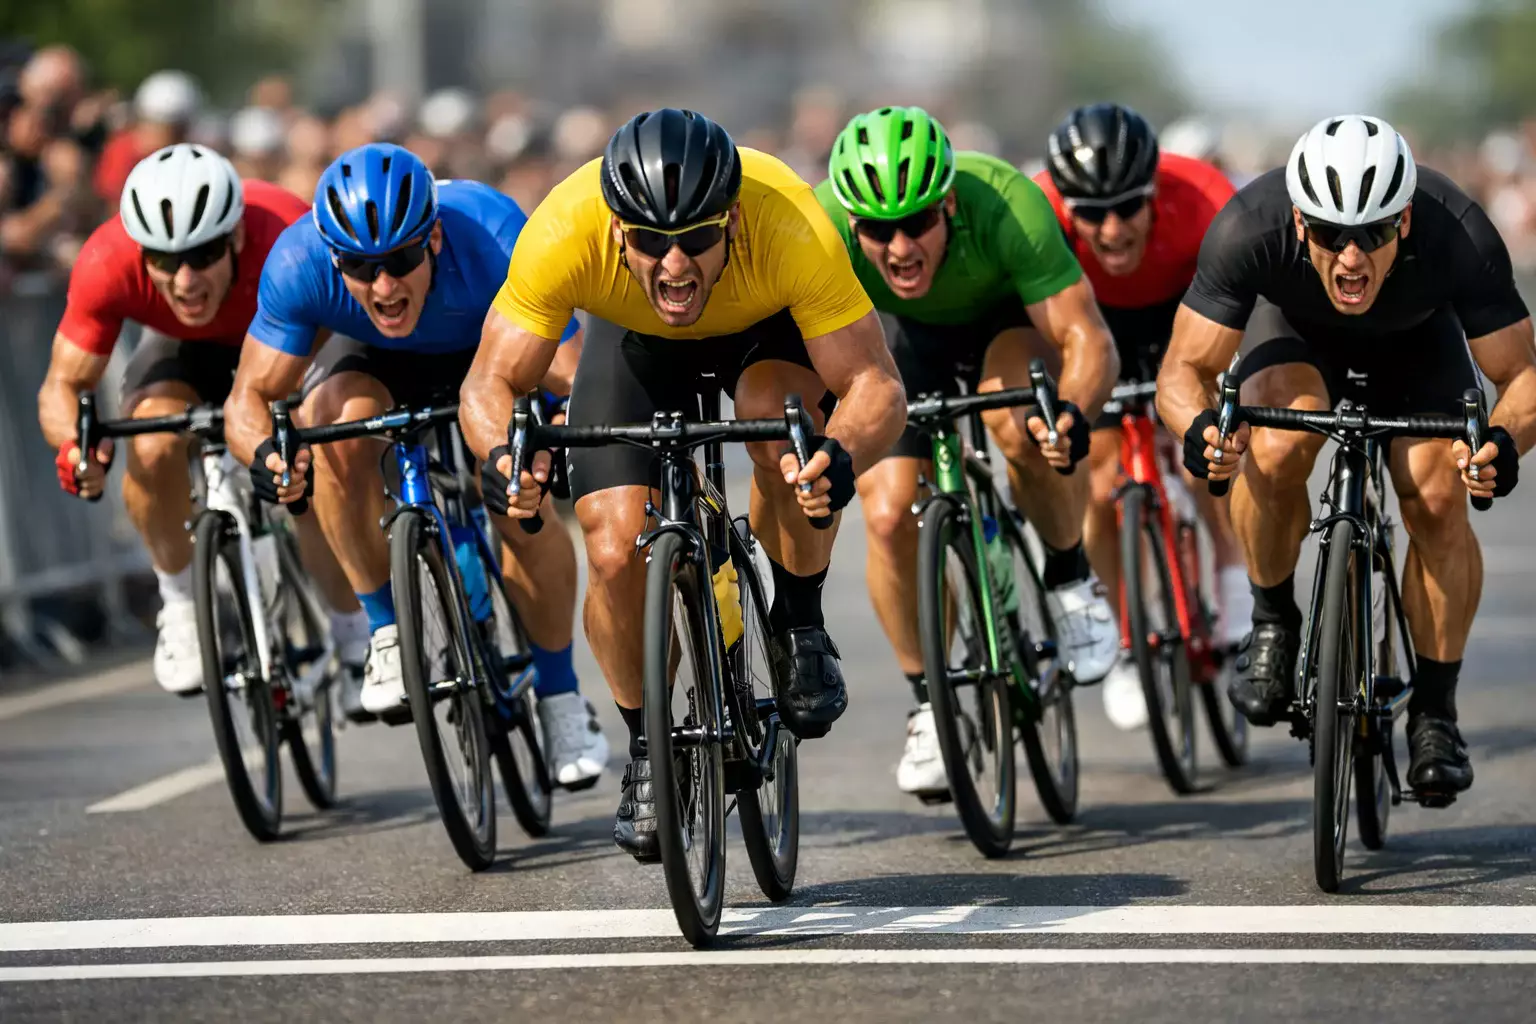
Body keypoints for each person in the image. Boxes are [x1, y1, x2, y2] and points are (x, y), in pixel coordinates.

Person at [458, 108, 906, 859]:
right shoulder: (566, 226)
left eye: (697, 238)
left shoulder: (788, 220)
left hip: (762, 332)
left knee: (783, 432)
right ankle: (647, 744)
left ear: (732, 220)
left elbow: (876, 385)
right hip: (633, 343)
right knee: (611, 550)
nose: (674, 265)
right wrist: (506, 456)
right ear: (615, 230)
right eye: (648, 242)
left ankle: (798, 619)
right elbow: (488, 382)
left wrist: (840, 453)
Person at [1158, 114, 1536, 802]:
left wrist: (1502, 443)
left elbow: (1522, 376)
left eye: (1375, 234)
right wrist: (1202, 431)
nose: (1352, 257)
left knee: (1436, 494)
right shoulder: (1250, 227)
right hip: (1296, 339)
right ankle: (1274, 622)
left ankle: (1435, 711)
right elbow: (1183, 371)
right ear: (1299, 222)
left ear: (1406, 221)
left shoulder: (1458, 230)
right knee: (1274, 448)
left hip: (1419, 346)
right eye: (1331, 236)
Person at [222, 142, 610, 788]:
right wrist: (267, 455)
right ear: (333, 257)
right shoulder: (298, 262)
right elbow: (248, 400)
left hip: (488, 355)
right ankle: (386, 631)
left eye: (400, 260)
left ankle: (560, 696)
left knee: (519, 497)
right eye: (360, 267)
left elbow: (572, 376)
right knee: (327, 425)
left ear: (432, 240)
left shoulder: (492, 232)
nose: (384, 286)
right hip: (372, 363)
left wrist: (551, 438)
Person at [815, 105, 1120, 801]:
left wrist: (1072, 414)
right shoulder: (822, 225)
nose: (900, 247)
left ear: (949, 204)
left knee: (1022, 429)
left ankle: (1069, 578)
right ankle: (931, 704)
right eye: (878, 231)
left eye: (918, 222)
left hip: (1002, 322)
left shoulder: (1008, 203)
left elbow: (1088, 338)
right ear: (852, 223)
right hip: (895, 338)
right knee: (888, 515)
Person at [37, 143, 367, 695]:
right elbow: (61, 385)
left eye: (204, 254)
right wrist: (76, 447)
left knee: (306, 465)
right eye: (165, 261)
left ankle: (352, 631)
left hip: (287, 341)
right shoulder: (106, 260)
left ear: (235, 236)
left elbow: (340, 337)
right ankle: (182, 607)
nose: (186, 280)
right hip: (186, 351)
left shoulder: (286, 232)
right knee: (152, 444)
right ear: (141, 252)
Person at [1034, 102, 1249, 732]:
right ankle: (1127, 640)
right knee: (1099, 479)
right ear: (1065, 205)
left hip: (1186, 314)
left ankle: (1231, 568)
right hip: (1096, 327)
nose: (1111, 230)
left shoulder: (1203, 196)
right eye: (1091, 213)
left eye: (1128, 207)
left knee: (1205, 453)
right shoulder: (1037, 211)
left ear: (1154, 193)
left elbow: (1246, 303)